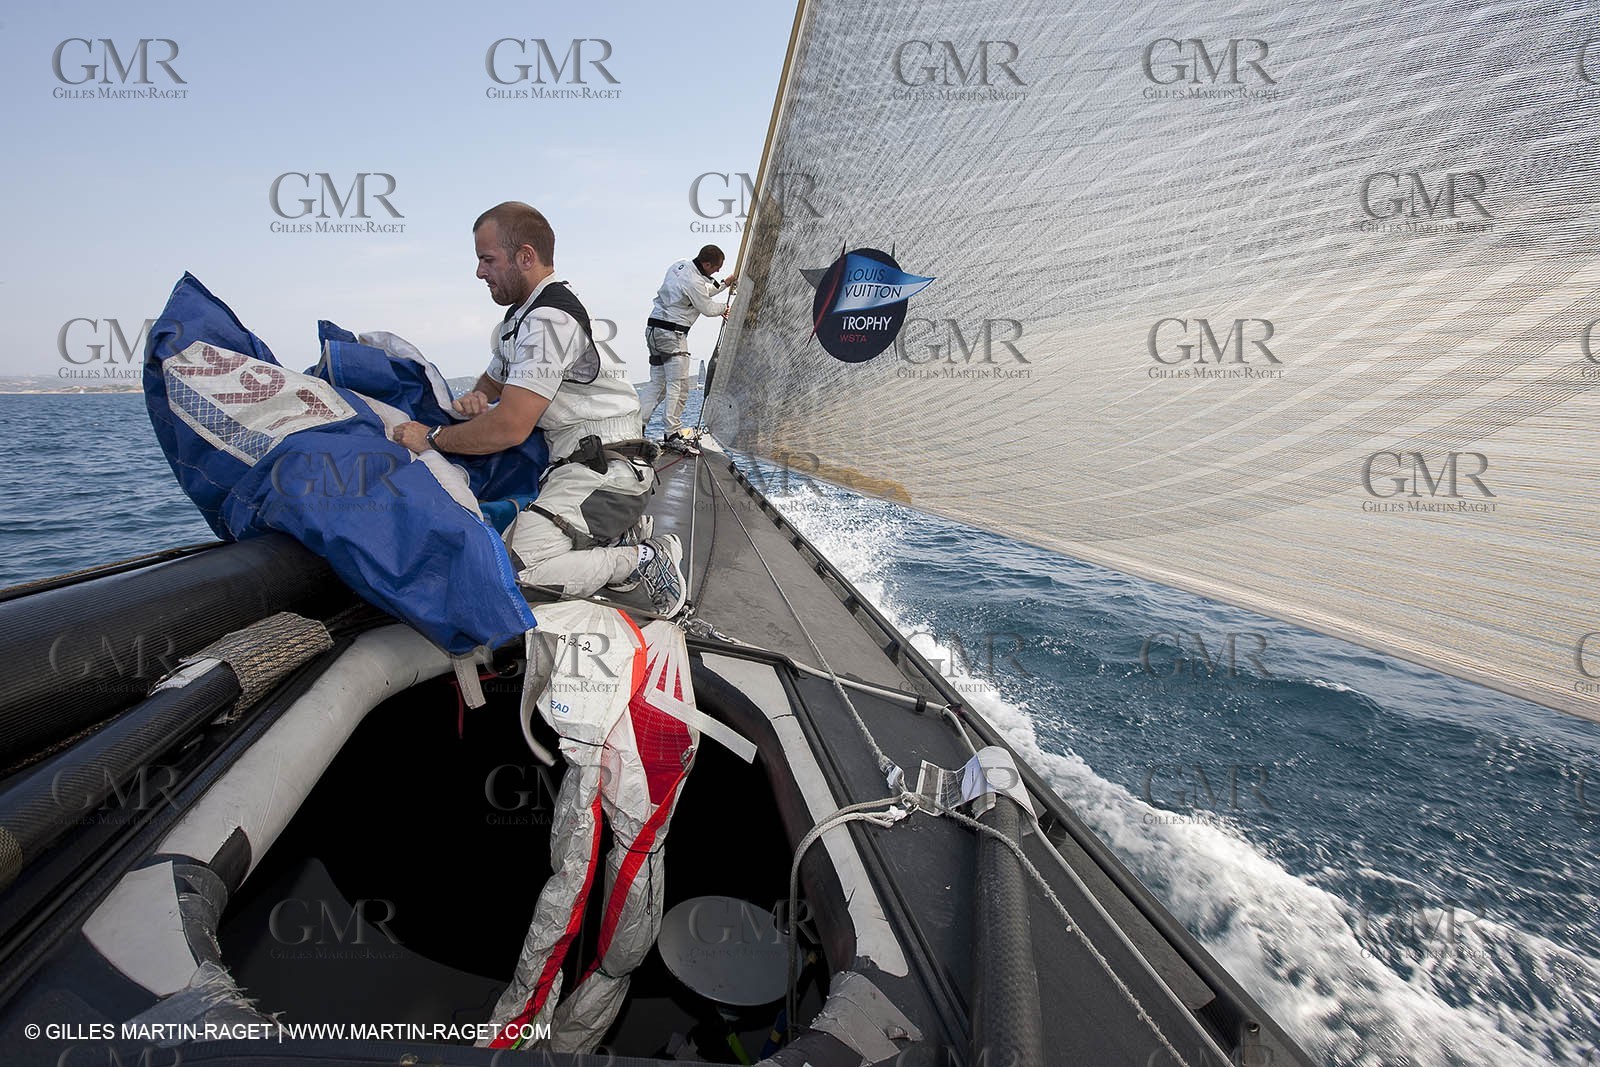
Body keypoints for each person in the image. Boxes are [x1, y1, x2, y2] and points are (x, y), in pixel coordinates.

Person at [391, 201, 686, 617]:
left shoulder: (549, 322)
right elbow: (492, 381)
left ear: (525, 257)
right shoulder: (520, 320)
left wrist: (433, 438)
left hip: (608, 471)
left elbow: (511, 427)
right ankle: (616, 539)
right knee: (499, 548)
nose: (479, 272)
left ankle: (640, 561)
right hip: (584, 467)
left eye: (487, 259)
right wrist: (478, 398)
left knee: (513, 572)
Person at [637, 245, 736, 454]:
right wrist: (727, 309)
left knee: (657, 384)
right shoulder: (693, 281)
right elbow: (707, 307)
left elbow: (702, 291)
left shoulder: (680, 266)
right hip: (672, 336)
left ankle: (636, 427)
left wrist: (725, 284)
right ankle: (672, 434)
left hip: (654, 331)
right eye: (716, 268)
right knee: (679, 387)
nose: (717, 272)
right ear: (707, 264)